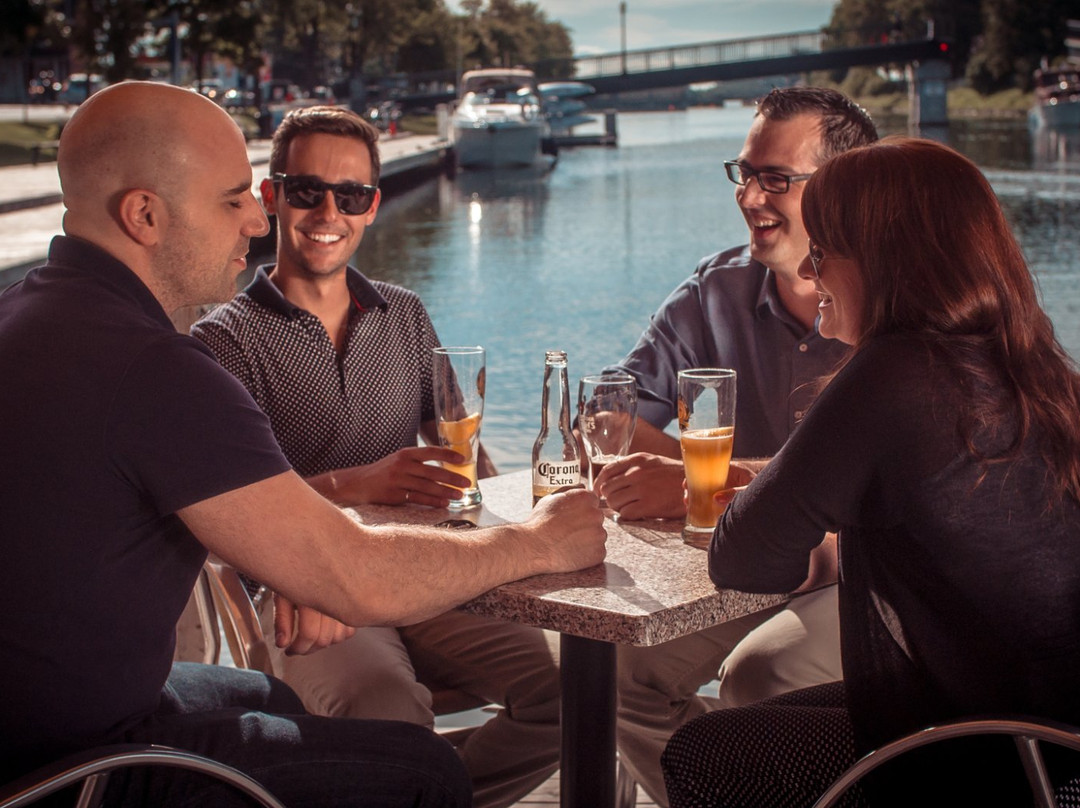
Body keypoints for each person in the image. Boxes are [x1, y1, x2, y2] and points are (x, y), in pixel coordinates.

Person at [0, 81, 606, 807]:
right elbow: (350, 575)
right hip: (70, 769)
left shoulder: (27, 315)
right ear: (145, 215)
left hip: (50, 718)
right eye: (234, 200)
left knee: (274, 702)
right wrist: (538, 542)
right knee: (425, 772)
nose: (257, 221)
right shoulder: (155, 368)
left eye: (351, 196)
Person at [661, 137, 1080, 807]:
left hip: (983, 761)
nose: (809, 271)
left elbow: (744, 558)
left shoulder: (895, 375)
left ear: (886, 261)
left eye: (824, 250)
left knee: (704, 755)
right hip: (1052, 742)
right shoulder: (1037, 369)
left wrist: (772, 496)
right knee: (768, 706)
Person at [191, 105, 561, 808]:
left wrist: (498, 518)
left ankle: (434, 795)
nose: (328, 213)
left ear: (372, 206)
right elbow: (229, 515)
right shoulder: (221, 343)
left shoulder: (406, 314)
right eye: (307, 190)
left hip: (423, 572)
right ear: (271, 196)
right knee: (386, 712)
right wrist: (359, 484)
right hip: (308, 592)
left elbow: (462, 451)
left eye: (351, 195)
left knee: (575, 690)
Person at [604, 87, 878, 806]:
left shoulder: (905, 300)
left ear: (846, 187)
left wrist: (707, 480)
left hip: (870, 571)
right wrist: (693, 481)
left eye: (775, 179)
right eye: (745, 173)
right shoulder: (715, 290)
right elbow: (609, 413)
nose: (749, 196)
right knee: (618, 675)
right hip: (756, 560)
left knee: (759, 676)